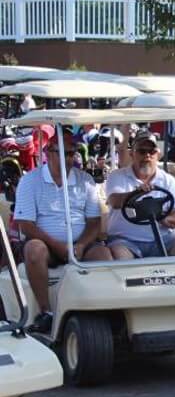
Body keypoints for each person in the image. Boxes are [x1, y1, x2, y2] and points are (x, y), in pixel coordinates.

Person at [15, 135, 112, 333]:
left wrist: (82, 245)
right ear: (48, 153)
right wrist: (58, 246)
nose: (69, 158)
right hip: (47, 245)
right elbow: (26, 225)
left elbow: (94, 223)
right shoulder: (30, 180)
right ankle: (45, 312)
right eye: (63, 153)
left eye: (71, 153)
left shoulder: (85, 180)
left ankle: (101, 310)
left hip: (79, 244)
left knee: (103, 255)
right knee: (34, 250)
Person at [105, 131, 175, 259]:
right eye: (142, 151)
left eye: (151, 152)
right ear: (132, 154)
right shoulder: (117, 176)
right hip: (125, 240)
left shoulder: (168, 180)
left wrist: (160, 218)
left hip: (164, 238)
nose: (147, 155)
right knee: (121, 256)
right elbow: (114, 201)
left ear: (158, 155)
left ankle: (173, 278)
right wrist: (137, 193)